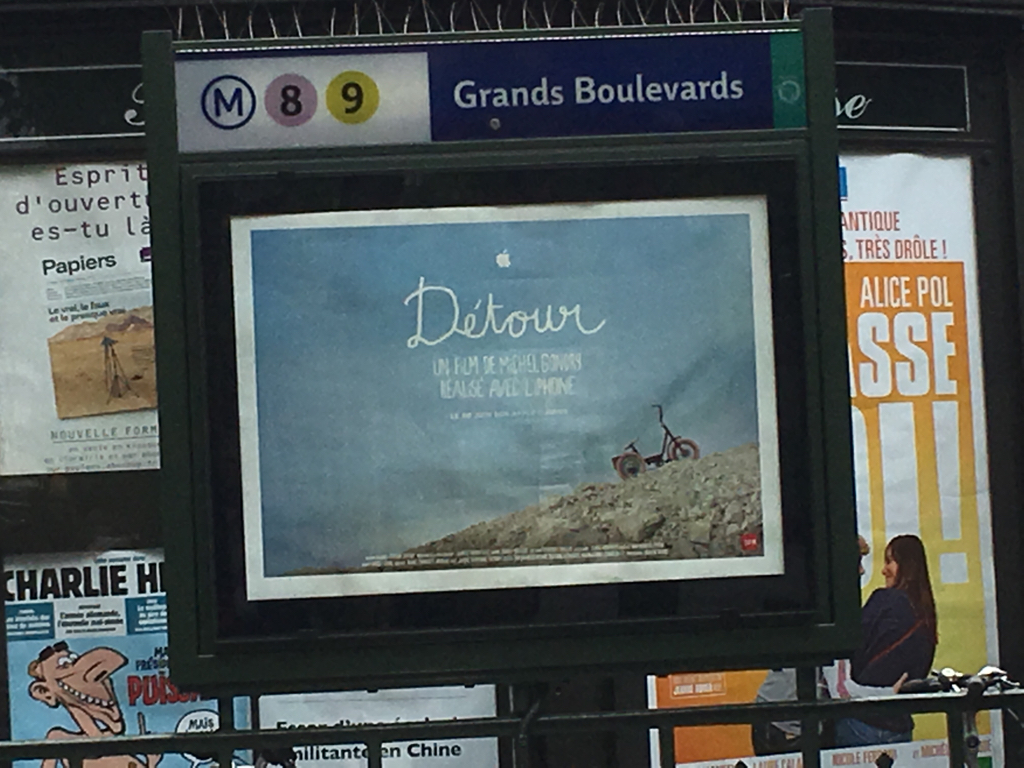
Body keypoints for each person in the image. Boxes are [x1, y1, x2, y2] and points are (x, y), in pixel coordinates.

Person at [833, 534, 938, 747]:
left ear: (906, 565)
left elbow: (851, 646)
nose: (883, 570)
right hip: (900, 725)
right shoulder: (927, 615)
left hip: (861, 721)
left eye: (889, 561)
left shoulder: (884, 600)